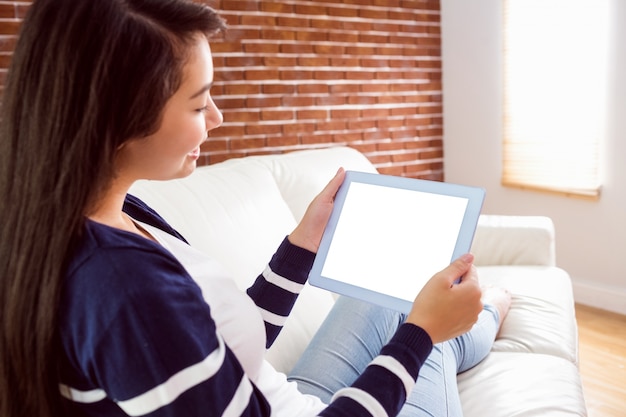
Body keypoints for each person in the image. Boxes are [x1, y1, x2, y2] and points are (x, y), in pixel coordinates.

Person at [0, 1, 511, 416]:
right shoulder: (126, 292)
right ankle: (483, 319)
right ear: (117, 119)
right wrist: (422, 334)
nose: (216, 118)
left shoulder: (111, 212)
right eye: (200, 104)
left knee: (387, 298)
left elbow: (219, 341)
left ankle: (476, 318)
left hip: (279, 395)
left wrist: (302, 245)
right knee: (425, 330)